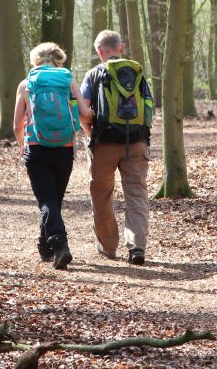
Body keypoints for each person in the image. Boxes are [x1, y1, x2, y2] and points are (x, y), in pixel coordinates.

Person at [15, 43, 91, 270]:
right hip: (65, 147)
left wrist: (23, 145)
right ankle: (45, 245)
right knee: (53, 199)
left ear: (35, 61)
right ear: (60, 59)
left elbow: (17, 124)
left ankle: (59, 245)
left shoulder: (26, 83)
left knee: (48, 201)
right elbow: (84, 113)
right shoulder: (67, 79)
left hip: (37, 147)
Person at [80, 30, 153, 265]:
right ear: (121, 48)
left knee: (101, 195)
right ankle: (137, 246)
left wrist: (91, 133)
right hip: (136, 142)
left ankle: (108, 247)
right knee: (136, 194)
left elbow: (84, 112)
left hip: (105, 144)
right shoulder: (137, 71)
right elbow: (149, 109)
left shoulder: (93, 74)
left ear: (99, 52)